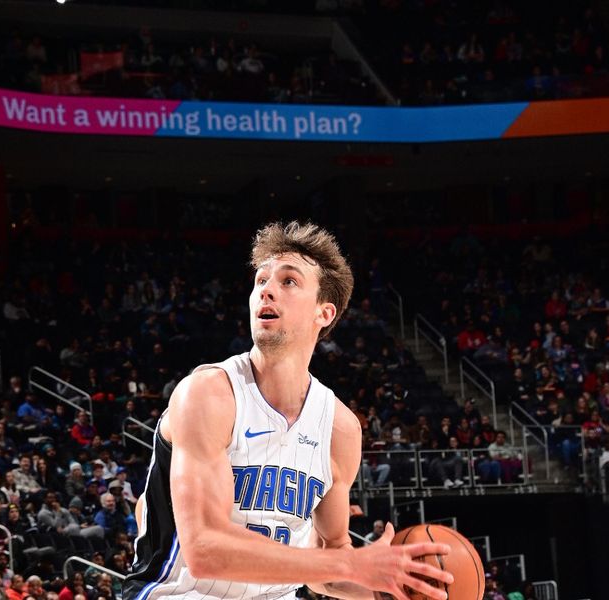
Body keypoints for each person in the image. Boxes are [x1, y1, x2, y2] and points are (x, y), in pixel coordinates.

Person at [124, 222, 452, 600]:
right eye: (261, 280)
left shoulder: (340, 429)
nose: (266, 289)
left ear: (324, 313)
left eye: (288, 281)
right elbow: (204, 550)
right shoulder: (209, 394)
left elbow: (327, 567)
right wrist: (347, 564)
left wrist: (392, 587)